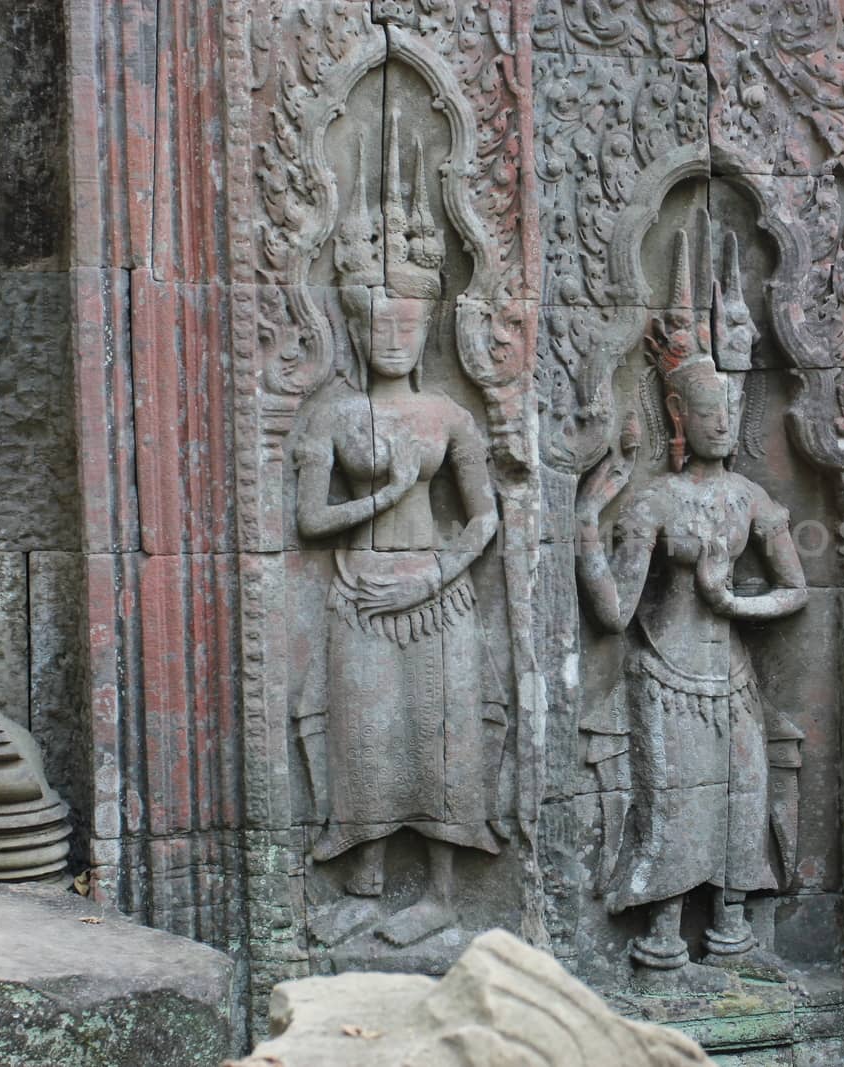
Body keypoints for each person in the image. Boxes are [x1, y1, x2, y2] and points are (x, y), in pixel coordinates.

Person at [575, 234, 807, 983]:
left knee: (744, 796)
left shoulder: (748, 498)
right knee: (671, 804)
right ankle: (664, 942)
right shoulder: (654, 502)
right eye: (709, 410)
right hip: (665, 674)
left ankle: (735, 933)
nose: (723, 422)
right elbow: (613, 613)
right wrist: (586, 525)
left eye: (731, 408)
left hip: (730, 673)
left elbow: (797, 589)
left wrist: (732, 597)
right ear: (679, 412)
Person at [293, 119, 501, 948]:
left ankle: (443, 892)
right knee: (367, 740)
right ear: (351, 322)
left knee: (441, 741)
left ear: (426, 325)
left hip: (436, 597)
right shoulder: (337, 418)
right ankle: (367, 882)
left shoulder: (450, 416)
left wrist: (434, 574)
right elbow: (310, 522)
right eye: (377, 323)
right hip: (356, 594)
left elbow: (484, 516)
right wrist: (383, 498)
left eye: (407, 324)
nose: (392, 336)